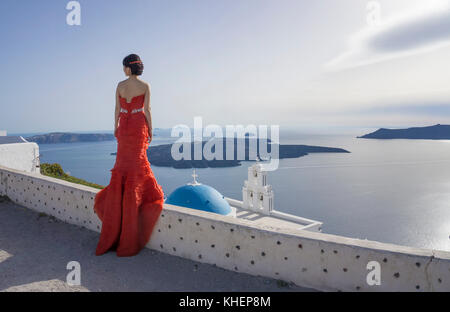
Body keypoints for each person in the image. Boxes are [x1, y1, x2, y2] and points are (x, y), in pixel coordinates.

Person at [93, 54, 165, 257]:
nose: (122, 69)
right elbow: (147, 110)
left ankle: (117, 219)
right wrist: (151, 130)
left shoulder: (119, 85)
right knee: (138, 165)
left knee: (122, 167)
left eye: (123, 66)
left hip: (124, 127)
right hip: (137, 125)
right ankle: (134, 209)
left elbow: (116, 109)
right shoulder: (145, 86)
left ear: (128, 68)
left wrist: (116, 127)